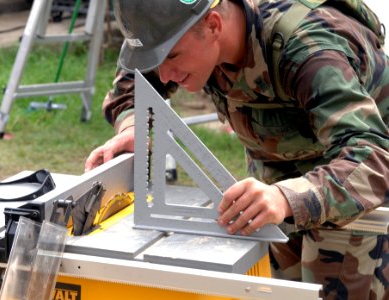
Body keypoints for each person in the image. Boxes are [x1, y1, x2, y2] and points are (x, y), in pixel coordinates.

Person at [85, 0, 389, 298]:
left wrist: (286, 198)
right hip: (275, 185)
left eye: (172, 57)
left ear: (214, 25)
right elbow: (132, 86)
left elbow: (372, 157)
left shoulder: (309, 47)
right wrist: (133, 127)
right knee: (278, 290)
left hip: (356, 190)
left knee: (327, 288)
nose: (163, 75)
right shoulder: (177, 33)